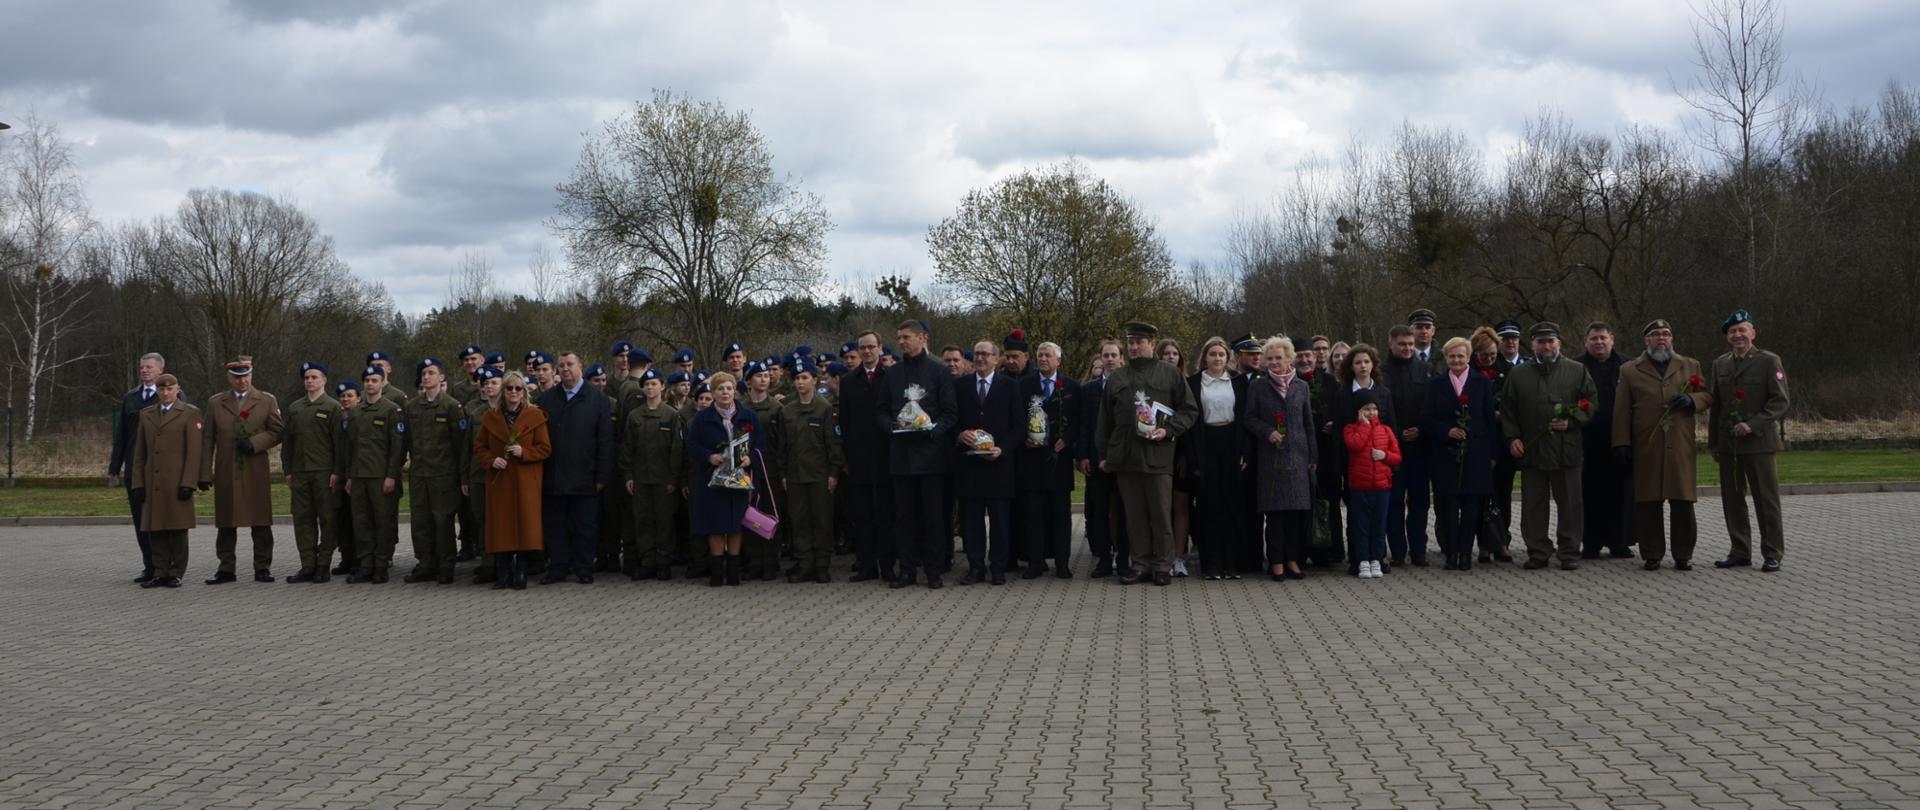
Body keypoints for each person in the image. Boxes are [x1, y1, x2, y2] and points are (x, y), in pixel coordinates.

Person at [1097, 321, 1199, 586]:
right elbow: (1104, 421)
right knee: (1134, 516)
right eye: (1130, 342)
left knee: (1160, 514)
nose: (1133, 346)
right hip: (1126, 458)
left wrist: (1168, 430)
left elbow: (1189, 410)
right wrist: (1103, 454)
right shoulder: (1118, 377)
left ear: (1152, 344)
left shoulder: (1169, 374)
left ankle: (1162, 565)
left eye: (1139, 342)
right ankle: (1140, 563)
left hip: (1157, 456)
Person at [1612, 319, 1714, 571]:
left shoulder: (1690, 365)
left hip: (1679, 444)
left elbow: (1707, 394)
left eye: (1666, 334)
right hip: (1647, 444)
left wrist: (1691, 400)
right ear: (1646, 340)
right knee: (1648, 502)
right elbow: (1621, 410)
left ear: (1672, 339)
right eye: (1655, 334)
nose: (1661, 338)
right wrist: (1621, 443)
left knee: (1683, 500)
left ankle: (1683, 554)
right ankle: (1652, 553)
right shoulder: (1630, 369)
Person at [1500, 322, 1599, 570]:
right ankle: (1538, 551)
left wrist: (1573, 419)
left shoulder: (1577, 370)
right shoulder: (1518, 374)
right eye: (1541, 341)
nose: (1546, 346)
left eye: (1550, 341)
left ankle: (1569, 552)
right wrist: (1513, 438)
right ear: (1532, 344)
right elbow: (1508, 410)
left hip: (1567, 451)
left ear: (1559, 343)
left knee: (1570, 505)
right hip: (1533, 452)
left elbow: (1591, 402)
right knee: (1533, 505)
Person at [877, 319, 958, 589]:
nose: (901, 342)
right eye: (899, 337)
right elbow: (881, 411)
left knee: (934, 518)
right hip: (901, 457)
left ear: (923, 337)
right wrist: (892, 427)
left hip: (931, 457)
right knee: (904, 519)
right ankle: (907, 570)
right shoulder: (893, 373)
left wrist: (932, 430)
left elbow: (950, 413)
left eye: (906, 337)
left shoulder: (939, 371)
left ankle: (934, 571)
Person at [1708, 309, 1790, 572]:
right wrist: (1713, 443)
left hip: (1759, 444)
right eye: (1733, 331)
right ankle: (1739, 550)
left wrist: (1752, 425)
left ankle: (1772, 552)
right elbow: (1717, 406)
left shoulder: (1769, 361)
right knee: (1732, 500)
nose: (1738, 335)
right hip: (1729, 444)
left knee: (1765, 500)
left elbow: (1780, 401)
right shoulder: (1720, 364)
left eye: (1743, 330)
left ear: (1753, 333)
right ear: (1727, 337)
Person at [200, 355, 284, 584]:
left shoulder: (266, 400)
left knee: (261, 521)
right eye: (237, 377)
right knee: (226, 521)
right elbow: (207, 439)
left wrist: (256, 443)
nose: (242, 381)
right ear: (229, 378)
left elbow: (278, 431)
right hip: (227, 469)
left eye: (245, 376)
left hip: (255, 468)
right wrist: (204, 473)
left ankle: (262, 567)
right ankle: (226, 568)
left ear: (251, 375)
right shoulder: (216, 403)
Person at [1242, 336, 1317, 581]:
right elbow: (1249, 418)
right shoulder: (1258, 386)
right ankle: (1275, 561)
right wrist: (1267, 432)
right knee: (1275, 516)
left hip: (1297, 455)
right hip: (1270, 458)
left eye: (1279, 358)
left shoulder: (1301, 387)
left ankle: (1292, 559)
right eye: (1270, 358)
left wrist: (1312, 455)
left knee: (1295, 514)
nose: (1274, 362)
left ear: (1289, 359)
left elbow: (1308, 423)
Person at [535, 351, 614, 584]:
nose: (565, 369)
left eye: (570, 364)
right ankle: (558, 568)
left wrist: (602, 475)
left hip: (585, 476)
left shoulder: (598, 399)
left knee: (584, 526)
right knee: (555, 526)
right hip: (554, 476)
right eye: (561, 366)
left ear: (580, 366)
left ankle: (583, 568)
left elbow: (605, 441)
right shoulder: (547, 399)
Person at [1423, 338, 1500, 571]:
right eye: (1452, 357)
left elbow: (1490, 420)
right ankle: (1451, 554)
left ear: (1468, 357)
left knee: (1471, 508)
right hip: (1446, 455)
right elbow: (1427, 419)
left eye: (1460, 356)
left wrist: (1493, 453)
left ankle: (1466, 554)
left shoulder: (1482, 383)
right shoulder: (1436, 384)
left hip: (1476, 453)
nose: (1456, 361)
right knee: (1448, 507)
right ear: (1446, 359)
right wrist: (1447, 431)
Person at [686, 372, 767, 586]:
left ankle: (732, 571)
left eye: (729, 388)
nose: (725, 392)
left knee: (734, 523)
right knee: (715, 524)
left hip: (739, 479)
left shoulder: (748, 416)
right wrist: (709, 456)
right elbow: (692, 445)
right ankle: (716, 572)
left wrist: (750, 459)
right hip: (712, 480)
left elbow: (761, 445)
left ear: (735, 391)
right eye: (720, 388)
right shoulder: (702, 419)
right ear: (713, 393)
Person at [952, 341, 1021, 585]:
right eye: (977, 353)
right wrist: (960, 435)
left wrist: (1002, 449)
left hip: (999, 465)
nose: (980, 358)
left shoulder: (1010, 386)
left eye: (985, 354)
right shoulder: (960, 386)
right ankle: (975, 566)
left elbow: (1018, 426)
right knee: (972, 521)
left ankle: (998, 567)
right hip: (970, 467)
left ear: (996, 358)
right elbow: (952, 420)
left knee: (1000, 521)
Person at [475, 372, 551, 590]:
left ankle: (521, 572)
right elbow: (479, 448)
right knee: (501, 526)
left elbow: (545, 448)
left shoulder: (535, 416)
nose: (514, 393)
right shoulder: (491, 417)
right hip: (500, 480)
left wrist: (523, 452)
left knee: (525, 525)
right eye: (509, 388)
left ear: (524, 392)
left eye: (518, 389)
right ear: (503, 391)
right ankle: (503, 573)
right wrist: (491, 460)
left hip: (525, 479)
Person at [401, 358, 471, 585]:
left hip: (443, 474)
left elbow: (460, 445)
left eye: (431, 373)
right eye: (423, 373)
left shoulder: (451, 406)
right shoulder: (412, 407)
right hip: (420, 473)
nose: (426, 377)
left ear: (441, 377)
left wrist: (461, 476)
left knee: (442, 521)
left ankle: (446, 564)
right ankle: (426, 563)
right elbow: (407, 441)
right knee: (421, 521)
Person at [1184, 336, 1247, 580]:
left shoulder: (1239, 383)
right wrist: (1194, 460)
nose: (1217, 359)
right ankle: (1210, 564)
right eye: (1213, 354)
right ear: (1205, 358)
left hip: (1232, 444)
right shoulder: (1194, 383)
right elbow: (1190, 424)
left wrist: (1245, 452)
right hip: (1205, 444)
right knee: (1209, 507)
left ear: (1228, 358)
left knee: (1232, 506)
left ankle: (1232, 563)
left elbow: (1245, 418)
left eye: (1221, 354)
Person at [132, 374, 202, 589]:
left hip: (177, 480)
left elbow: (194, 452)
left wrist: (189, 482)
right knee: (156, 527)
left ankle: (176, 572)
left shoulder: (189, 413)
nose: (165, 393)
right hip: (154, 481)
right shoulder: (146, 415)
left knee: (178, 529)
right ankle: (160, 570)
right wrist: (138, 483)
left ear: (177, 389)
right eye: (161, 389)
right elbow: (140, 453)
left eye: (169, 389)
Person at [1330, 343, 1397, 573]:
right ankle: (1358, 558)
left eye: (1366, 362)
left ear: (1373, 365)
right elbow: (1340, 430)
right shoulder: (1343, 393)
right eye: (1358, 362)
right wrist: (1338, 464)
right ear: (1351, 366)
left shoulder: (1384, 392)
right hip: (1354, 465)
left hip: (1379, 464)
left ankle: (1378, 557)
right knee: (1356, 516)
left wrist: (1389, 460)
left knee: (1379, 516)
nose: (1362, 366)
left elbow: (1391, 428)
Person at [773, 363, 840, 582]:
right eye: (797, 378)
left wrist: (833, 473)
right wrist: (782, 474)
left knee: (822, 520)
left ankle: (822, 564)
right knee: (799, 520)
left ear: (814, 379)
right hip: (795, 475)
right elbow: (782, 447)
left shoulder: (824, 408)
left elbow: (833, 444)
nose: (800, 382)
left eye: (804, 377)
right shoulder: (787, 411)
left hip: (820, 475)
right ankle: (805, 563)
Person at [1017, 341, 1079, 578]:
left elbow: (1077, 420)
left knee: (1060, 515)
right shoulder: (1024, 386)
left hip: (1059, 461)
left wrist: (1068, 440)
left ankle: (1062, 562)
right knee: (1033, 513)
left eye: (1048, 356)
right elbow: (1016, 416)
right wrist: (1025, 437)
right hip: (1032, 459)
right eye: (1040, 355)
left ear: (1058, 361)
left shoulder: (1071, 386)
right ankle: (1036, 561)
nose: (1043, 359)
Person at [342, 366, 406, 582]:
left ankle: (381, 565)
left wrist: (391, 475)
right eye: (367, 380)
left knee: (383, 521)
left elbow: (396, 447)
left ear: (382, 382)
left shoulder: (392, 410)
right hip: (359, 476)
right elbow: (350, 447)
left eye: (374, 380)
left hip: (381, 476)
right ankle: (365, 564)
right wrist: (350, 476)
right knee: (361, 522)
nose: (370, 384)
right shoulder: (356, 412)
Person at [280, 362, 343, 583]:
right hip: (300, 473)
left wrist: (337, 473)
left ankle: (323, 564)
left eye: (314, 377)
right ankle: (308, 564)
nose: (310, 381)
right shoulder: (295, 408)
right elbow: (287, 442)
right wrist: (288, 471)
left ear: (324, 380)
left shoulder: (333, 407)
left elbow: (339, 445)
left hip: (324, 473)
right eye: (307, 378)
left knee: (327, 519)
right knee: (303, 519)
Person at [1576, 322, 1634, 559]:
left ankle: (1619, 541)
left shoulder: (1628, 366)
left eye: (1603, 338)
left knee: (1619, 493)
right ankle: (1591, 542)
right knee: (1589, 493)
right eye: (1594, 339)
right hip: (1587, 440)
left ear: (1612, 339)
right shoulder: (1576, 367)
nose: (1599, 343)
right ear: (1586, 342)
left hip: (1619, 438)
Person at [840, 331, 894, 583]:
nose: (867, 351)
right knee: (862, 516)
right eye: (863, 347)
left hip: (886, 457)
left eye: (872, 346)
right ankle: (867, 565)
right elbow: (845, 420)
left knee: (886, 515)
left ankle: (888, 566)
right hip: (859, 458)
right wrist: (847, 457)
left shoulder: (891, 377)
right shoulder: (849, 380)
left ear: (880, 349)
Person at [108, 352, 166, 583]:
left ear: (161, 370)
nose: (144, 371)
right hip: (135, 467)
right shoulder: (130, 398)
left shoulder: (171, 395)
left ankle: (165, 564)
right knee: (140, 518)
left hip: (160, 468)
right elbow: (121, 434)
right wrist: (115, 465)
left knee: (160, 519)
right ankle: (149, 565)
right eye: (142, 367)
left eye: (149, 367)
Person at [1076, 340, 1129, 577]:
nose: (1109, 359)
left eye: (1114, 355)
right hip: (1097, 459)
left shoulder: (1130, 385)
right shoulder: (1089, 390)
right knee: (1099, 511)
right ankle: (1104, 559)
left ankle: (1125, 559)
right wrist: (1083, 455)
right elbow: (1084, 425)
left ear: (1121, 358)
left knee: (1125, 510)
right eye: (1106, 355)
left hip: (1124, 459)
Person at [1382, 325, 1433, 566]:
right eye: (1402, 344)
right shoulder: (1381, 372)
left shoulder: (1425, 369)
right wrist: (1398, 432)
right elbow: (1381, 409)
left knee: (1419, 503)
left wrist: (1421, 429)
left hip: (1420, 448)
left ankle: (1419, 550)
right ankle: (1398, 551)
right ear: (1391, 344)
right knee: (1394, 504)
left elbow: (1430, 405)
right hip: (1393, 447)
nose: (1408, 348)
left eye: (1411, 344)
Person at [1469, 327, 1517, 563]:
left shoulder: (1507, 371)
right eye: (1483, 355)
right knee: (1481, 496)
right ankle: (1484, 543)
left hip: (1502, 440)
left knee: (1503, 494)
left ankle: (1503, 541)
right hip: (1478, 441)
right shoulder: (1467, 372)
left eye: (1491, 354)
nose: (1488, 359)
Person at [1342, 390, 1399, 579]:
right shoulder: (1350, 429)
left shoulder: (1386, 430)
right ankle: (1363, 560)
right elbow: (1355, 445)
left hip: (1382, 487)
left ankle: (1376, 559)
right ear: (1358, 411)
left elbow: (1397, 457)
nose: (1371, 413)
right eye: (1366, 409)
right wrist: (1365, 426)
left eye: (1374, 409)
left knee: (1379, 525)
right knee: (1361, 526)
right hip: (1360, 486)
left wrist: (1385, 456)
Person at [1158, 338, 1195, 576]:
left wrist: (1187, 456)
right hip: (1158, 452)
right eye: (1166, 353)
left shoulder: (1189, 384)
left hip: (1183, 453)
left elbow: (1192, 420)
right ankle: (1163, 555)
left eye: (1175, 353)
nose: (1171, 357)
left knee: (1180, 507)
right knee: (1160, 509)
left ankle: (1180, 556)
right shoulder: (1155, 384)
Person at [464, 368, 503, 584]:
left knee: (500, 518)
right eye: (485, 383)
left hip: (502, 473)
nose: (489, 386)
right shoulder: (476, 413)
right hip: (478, 473)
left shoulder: (510, 410)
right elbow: (466, 448)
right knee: (481, 518)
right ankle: (487, 562)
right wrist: (464, 477)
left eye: (494, 382)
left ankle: (501, 561)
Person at [330, 382, 362, 576]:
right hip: (340, 475)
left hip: (357, 475)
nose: (345, 399)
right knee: (342, 519)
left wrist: (351, 474)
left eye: (350, 395)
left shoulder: (361, 418)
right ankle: (346, 557)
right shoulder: (339, 419)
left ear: (358, 398)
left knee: (358, 519)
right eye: (342, 396)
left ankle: (360, 559)